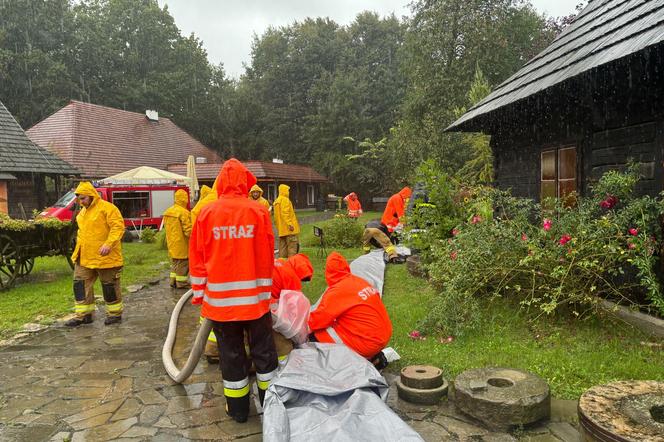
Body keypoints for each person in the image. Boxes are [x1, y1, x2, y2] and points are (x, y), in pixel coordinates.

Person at [189, 158, 277, 423]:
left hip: (221, 305)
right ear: (244, 182)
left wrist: (198, 294)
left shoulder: (206, 213)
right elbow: (268, 256)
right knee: (264, 354)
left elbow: (197, 258)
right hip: (256, 303)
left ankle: (238, 411)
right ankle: (272, 407)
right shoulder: (259, 211)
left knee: (231, 356)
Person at [308, 252, 392, 361]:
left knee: (317, 336)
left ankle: (343, 364)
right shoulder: (359, 281)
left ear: (328, 272)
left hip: (368, 342)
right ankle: (373, 357)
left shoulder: (337, 291)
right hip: (383, 336)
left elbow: (317, 321)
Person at [65, 181, 125, 327]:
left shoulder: (108, 209)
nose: (81, 202)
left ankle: (114, 314)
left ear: (92, 195)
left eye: (83, 198)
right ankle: (84, 315)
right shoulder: (82, 213)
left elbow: (118, 227)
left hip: (106, 257)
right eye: (79, 199)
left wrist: (108, 244)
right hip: (85, 257)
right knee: (80, 285)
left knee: (109, 285)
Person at [271, 254, 314, 361]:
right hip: (267, 305)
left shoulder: (281, 263)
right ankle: (284, 362)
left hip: (251, 299)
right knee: (282, 332)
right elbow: (295, 310)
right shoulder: (291, 277)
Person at [163, 189, 192, 289]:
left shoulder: (168, 212)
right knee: (183, 264)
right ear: (185, 199)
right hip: (182, 243)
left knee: (175, 263)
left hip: (171, 243)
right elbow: (188, 230)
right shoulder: (184, 213)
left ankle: (173, 281)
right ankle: (181, 283)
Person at [273, 184, 300, 258]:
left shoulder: (276, 201)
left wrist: (279, 227)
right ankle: (291, 265)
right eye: (288, 190)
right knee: (292, 248)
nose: (289, 192)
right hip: (289, 230)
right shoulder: (285, 200)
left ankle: (282, 265)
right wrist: (290, 224)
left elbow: (275, 218)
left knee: (282, 250)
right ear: (284, 191)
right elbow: (285, 213)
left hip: (282, 230)